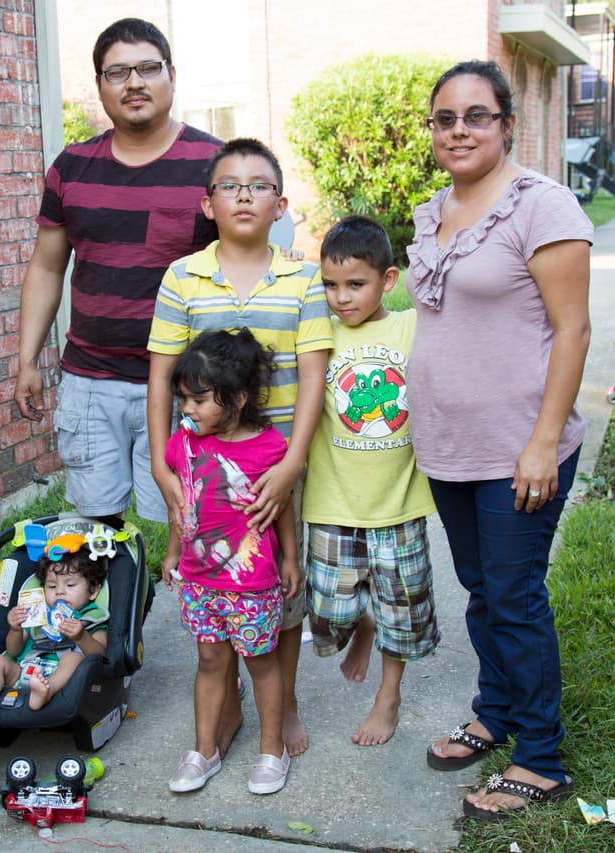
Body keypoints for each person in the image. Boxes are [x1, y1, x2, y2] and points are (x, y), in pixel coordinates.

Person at [407, 60, 592, 820]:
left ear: (506, 124)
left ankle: (541, 758)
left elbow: (573, 329)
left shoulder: (540, 206)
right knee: (483, 589)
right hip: (450, 443)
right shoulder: (428, 212)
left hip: (520, 444)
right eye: (445, 118)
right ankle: (497, 709)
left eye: (476, 115)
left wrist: (544, 441)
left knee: (515, 598)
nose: (459, 130)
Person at [147, 138, 333, 758]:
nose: (245, 194)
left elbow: (312, 373)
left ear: (280, 204)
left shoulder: (303, 278)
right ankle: (224, 707)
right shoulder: (183, 277)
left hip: (274, 463)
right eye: (230, 184)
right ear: (207, 204)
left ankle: (285, 707)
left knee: (276, 587)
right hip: (202, 466)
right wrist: (158, 460)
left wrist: (292, 464)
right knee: (214, 584)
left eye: (259, 185)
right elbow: (160, 373)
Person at [14, 18, 222, 529]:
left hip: (185, 383)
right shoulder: (72, 167)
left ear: (172, 75)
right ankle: (107, 611)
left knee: (186, 528)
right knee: (95, 531)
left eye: (149, 68)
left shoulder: (215, 164)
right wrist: (26, 360)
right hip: (90, 382)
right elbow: (46, 266)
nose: (135, 82)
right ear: (100, 86)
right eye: (117, 73)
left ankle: (184, 611)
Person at [304, 214, 440, 746]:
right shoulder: (318, 334)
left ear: (388, 280)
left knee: (405, 614)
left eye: (356, 284)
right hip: (333, 501)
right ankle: (361, 621)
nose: (341, 298)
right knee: (327, 612)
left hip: (399, 503)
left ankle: (388, 698)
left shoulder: (410, 326)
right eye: (331, 285)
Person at [161, 329, 300, 795]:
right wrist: (172, 551)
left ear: (237, 398)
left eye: (198, 400)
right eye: (183, 399)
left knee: (262, 663)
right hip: (200, 582)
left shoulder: (269, 449)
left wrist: (291, 559)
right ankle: (204, 750)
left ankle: (271, 748)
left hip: (252, 584)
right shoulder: (182, 445)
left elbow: (283, 509)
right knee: (208, 660)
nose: (187, 409)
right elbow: (179, 503)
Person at [0, 542, 108, 714]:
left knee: (74, 659)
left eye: (70, 585)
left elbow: (101, 655)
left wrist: (82, 637)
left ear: (93, 590)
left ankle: (46, 692)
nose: (60, 591)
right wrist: (15, 629)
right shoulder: (37, 613)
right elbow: (13, 652)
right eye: (51, 586)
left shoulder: (92, 617)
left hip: (64, 679)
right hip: (24, 669)